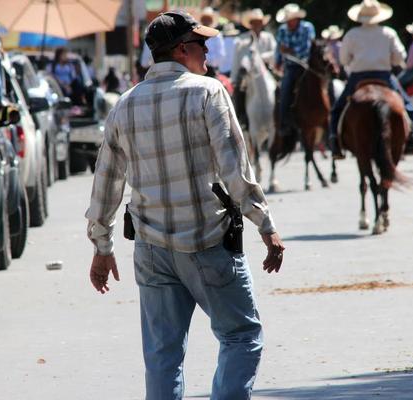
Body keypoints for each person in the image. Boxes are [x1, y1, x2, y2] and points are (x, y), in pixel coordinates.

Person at [86, 10, 284, 400]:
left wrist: (101, 246)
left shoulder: (125, 104)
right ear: (181, 49)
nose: (208, 51)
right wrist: (266, 225)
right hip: (206, 241)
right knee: (241, 336)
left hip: (152, 250)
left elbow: (106, 182)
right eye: (202, 44)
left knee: (162, 355)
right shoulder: (207, 92)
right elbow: (234, 169)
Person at [329, 0, 413, 159]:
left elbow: (344, 60)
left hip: (358, 76)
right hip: (384, 76)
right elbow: (400, 56)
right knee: (408, 105)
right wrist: (390, 60)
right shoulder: (388, 32)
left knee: (338, 108)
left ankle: (335, 141)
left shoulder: (352, 34)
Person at [275, 3, 315, 136]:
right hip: (291, 66)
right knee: (284, 90)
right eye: (287, 20)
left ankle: (329, 118)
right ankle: (284, 122)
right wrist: (278, 62)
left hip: (308, 66)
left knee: (327, 85)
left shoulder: (307, 28)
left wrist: (289, 50)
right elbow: (279, 49)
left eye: (291, 19)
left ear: (297, 18)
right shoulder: (282, 29)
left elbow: (307, 48)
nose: (289, 23)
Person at [199, 7, 225, 75]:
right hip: (198, 69)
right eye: (204, 19)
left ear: (211, 21)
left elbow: (220, 56)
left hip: (211, 70)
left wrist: (204, 59)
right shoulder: (197, 34)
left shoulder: (217, 35)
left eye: (208, 19)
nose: (206, 21)